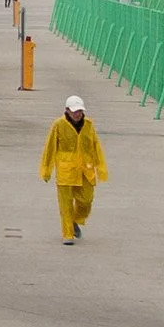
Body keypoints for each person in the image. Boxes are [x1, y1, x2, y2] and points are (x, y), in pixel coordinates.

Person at [38, 93, 107, 245]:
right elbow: (50, 148)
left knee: (86, 201)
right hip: (66, 171)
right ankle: (67, 233)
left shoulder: (89, 125)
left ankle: (75, 221)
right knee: (66, 204)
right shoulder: (58, 125)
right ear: (67, 110)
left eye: (80, 111)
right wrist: (46, 169)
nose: (77, 114)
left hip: (85, 169)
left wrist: (100, 167)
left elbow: (96, 146)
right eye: (74, 111)